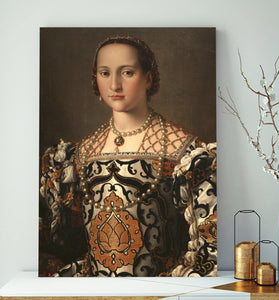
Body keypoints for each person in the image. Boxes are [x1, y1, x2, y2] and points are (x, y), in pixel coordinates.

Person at [39, 35, 217, 277]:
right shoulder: (81, 152)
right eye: (104, 73)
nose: (114, 85)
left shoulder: (183, 149)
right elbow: (66, 243)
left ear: (148, 78)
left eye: (127, 73)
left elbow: (208, 251)